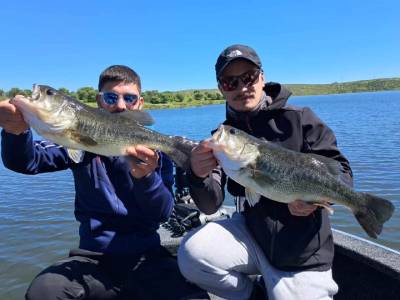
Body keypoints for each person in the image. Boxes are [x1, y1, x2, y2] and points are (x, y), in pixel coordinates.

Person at [0, 65, 208, 300]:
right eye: (111, 97)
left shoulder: (156, 155)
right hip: (92, 258)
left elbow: (162, 213)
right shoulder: (76, 143)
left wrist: (146, 178)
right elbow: (27, 162)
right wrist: (14, 132)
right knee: (45, 292)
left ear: (139, 104)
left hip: (147, 258)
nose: (120, 105)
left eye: (129, 98)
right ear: (99, 101)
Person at [177, 45, 354, 300]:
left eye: (248, 77)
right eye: (230, 82)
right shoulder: (223, 136)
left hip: (301, 253)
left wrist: (314, 201)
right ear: (221, 88)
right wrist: (196, 174)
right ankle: (253, 296)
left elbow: (342, 173)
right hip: (252, 232)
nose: (241, 87)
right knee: (192, 254)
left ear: (261, 78)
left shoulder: (301, 119)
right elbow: (210, 203)